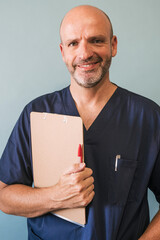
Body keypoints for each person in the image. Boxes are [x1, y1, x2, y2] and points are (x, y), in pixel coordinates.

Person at [0, 4, 160, 240]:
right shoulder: (36, 113)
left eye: (96, 40)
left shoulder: (147, 116)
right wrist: (56, 195)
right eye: (74, 43)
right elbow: (4, 197)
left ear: (113, 45)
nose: (85, 54)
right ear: (63, 51)